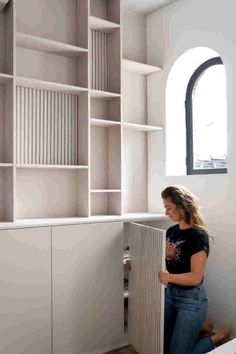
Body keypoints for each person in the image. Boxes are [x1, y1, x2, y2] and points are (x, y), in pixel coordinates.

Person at [159, 185, 229, 354]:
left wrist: (168, 278)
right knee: (161, 346)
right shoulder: (171, 232)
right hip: (170, 295)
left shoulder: (198, 236)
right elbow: (167, 263)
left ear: (181, 206)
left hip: (191, 300)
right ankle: (202, 326)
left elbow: (195, 277)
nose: (166, 213)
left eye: (168, 208)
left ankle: (215, 338)